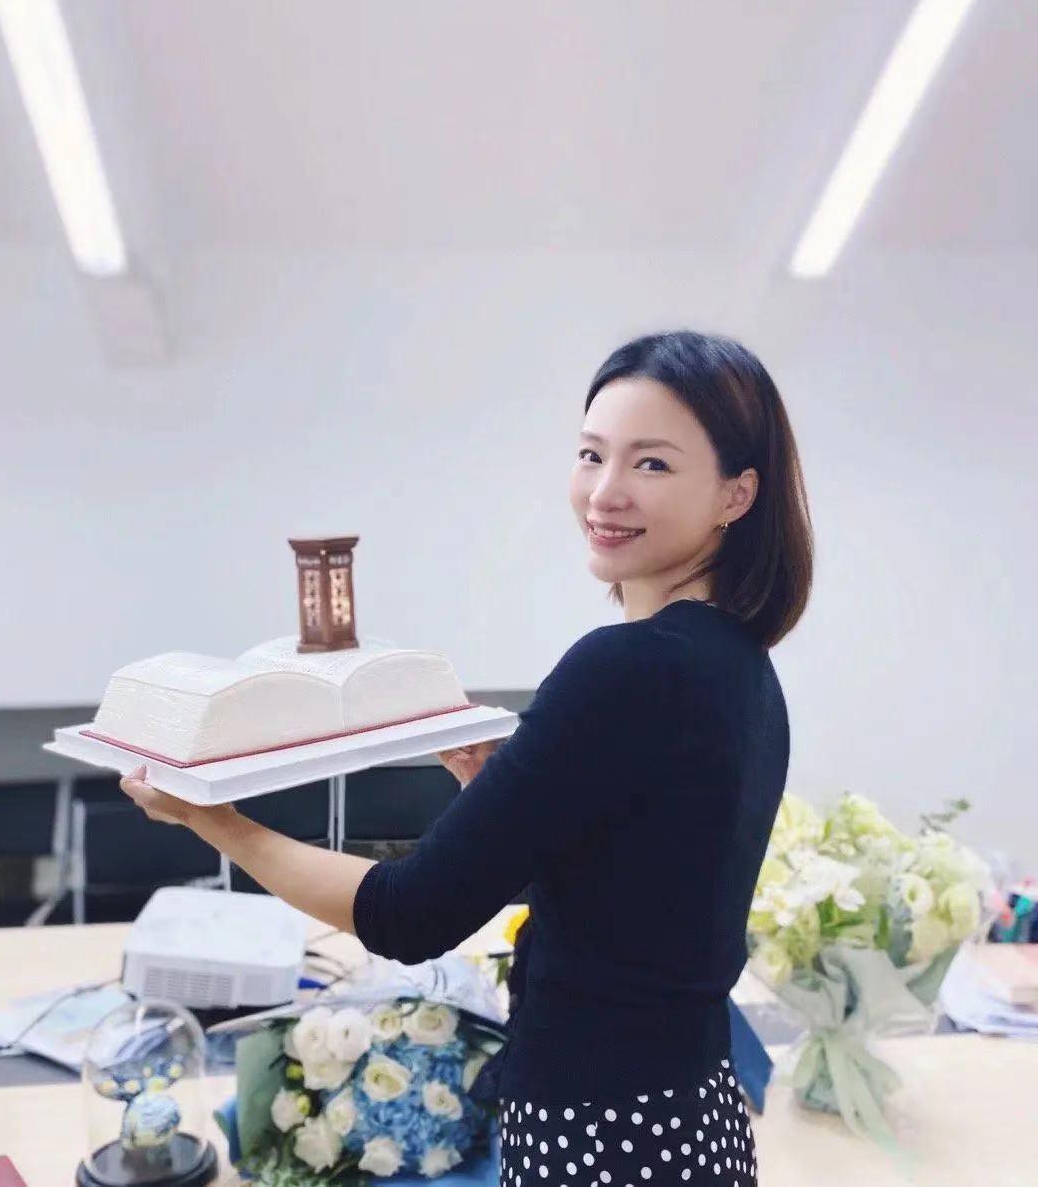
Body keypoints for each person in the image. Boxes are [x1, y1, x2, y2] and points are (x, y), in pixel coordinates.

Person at [121, 328, 812, 1187]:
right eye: (591, 454)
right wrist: (508, 802)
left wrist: (215, 820)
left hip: (602, 1134)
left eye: (652, 464)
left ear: (737, 493)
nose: (605, 492)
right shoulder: (740, 664)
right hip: (692, 1116)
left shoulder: (625, 667)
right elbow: (647, 890)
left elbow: (407, 915)